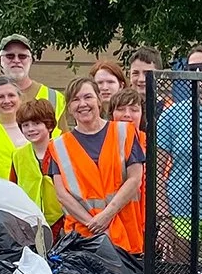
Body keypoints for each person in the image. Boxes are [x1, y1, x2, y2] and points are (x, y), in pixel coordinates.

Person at [47, 77, 146, 255]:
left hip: (126, 233)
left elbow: (135, 178)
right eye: (75, 99)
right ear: (69, 107)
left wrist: (106, 216)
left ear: (99, 101)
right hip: (83, 238)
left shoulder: (124, 132)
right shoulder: (58, 146)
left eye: (88, 97)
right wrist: (94, 225)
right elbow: (62, 195)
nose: (82, 104)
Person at [155, 46, 202, 260]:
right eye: (192, 68)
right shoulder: (172, 115)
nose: (199, 73)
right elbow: (157, 172)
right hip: (180, 211)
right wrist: (165, 219)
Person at [0, 34, 67, 127]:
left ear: (31, 60)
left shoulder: (54, 98)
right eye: (10, 56)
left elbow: (64, 140)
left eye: (22, 56)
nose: (16, 60)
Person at [11, 99, 64, 238]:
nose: (31, 129)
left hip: (62, 221)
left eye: (36, 123)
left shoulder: (64, 151)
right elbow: (13, 188)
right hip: (29, 222)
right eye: (25, 125)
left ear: (50, 126)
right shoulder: (18, 155)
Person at [109, 88, 148, 226]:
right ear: (112, 114)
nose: (127, 114)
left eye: (134, 110)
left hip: (146, 223)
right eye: (120, 109)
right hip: (113, 222)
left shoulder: (151, 145)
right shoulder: (103, 145)